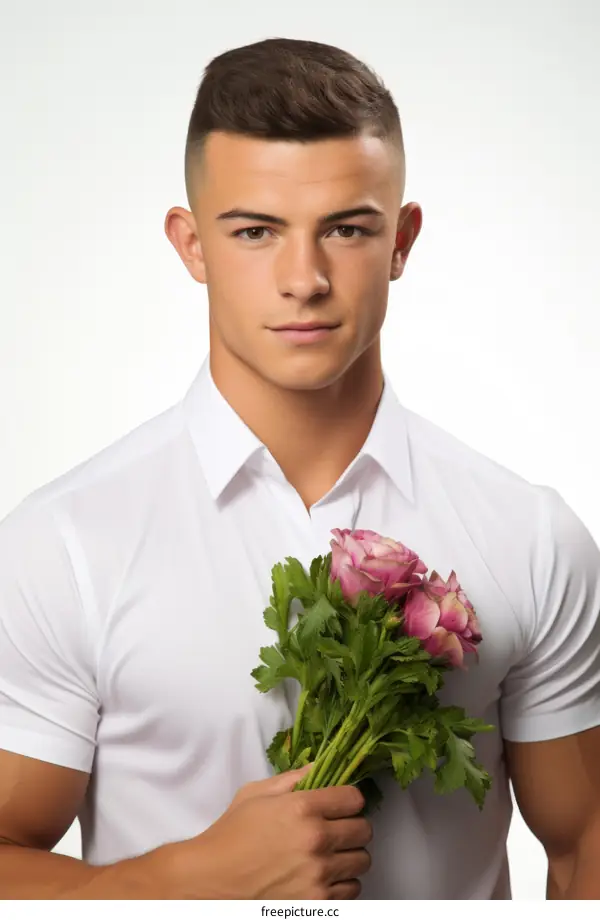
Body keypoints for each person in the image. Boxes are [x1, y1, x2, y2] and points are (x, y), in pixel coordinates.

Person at [0, 36, 599, 902]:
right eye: (255, 232)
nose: (305, 279)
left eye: (347, 229)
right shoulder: (66, 545)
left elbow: (585, 853)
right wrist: (190, 876)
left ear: (402, 239)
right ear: (192, 245)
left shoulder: (531, 537)